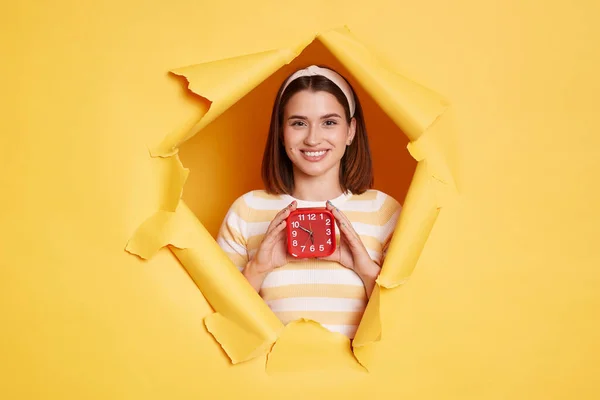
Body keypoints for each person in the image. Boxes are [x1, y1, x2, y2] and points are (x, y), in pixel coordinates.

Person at [216, 65, 401, 339]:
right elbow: (217, 321)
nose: (313, 139)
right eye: (298, 123)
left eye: (329, 122)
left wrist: (366, 272)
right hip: (266, 378)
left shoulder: (383, 211)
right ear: (281, 132)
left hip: (362, 380)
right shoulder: (247, 211)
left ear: (350, 131)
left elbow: (407, 324)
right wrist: (258, 269)